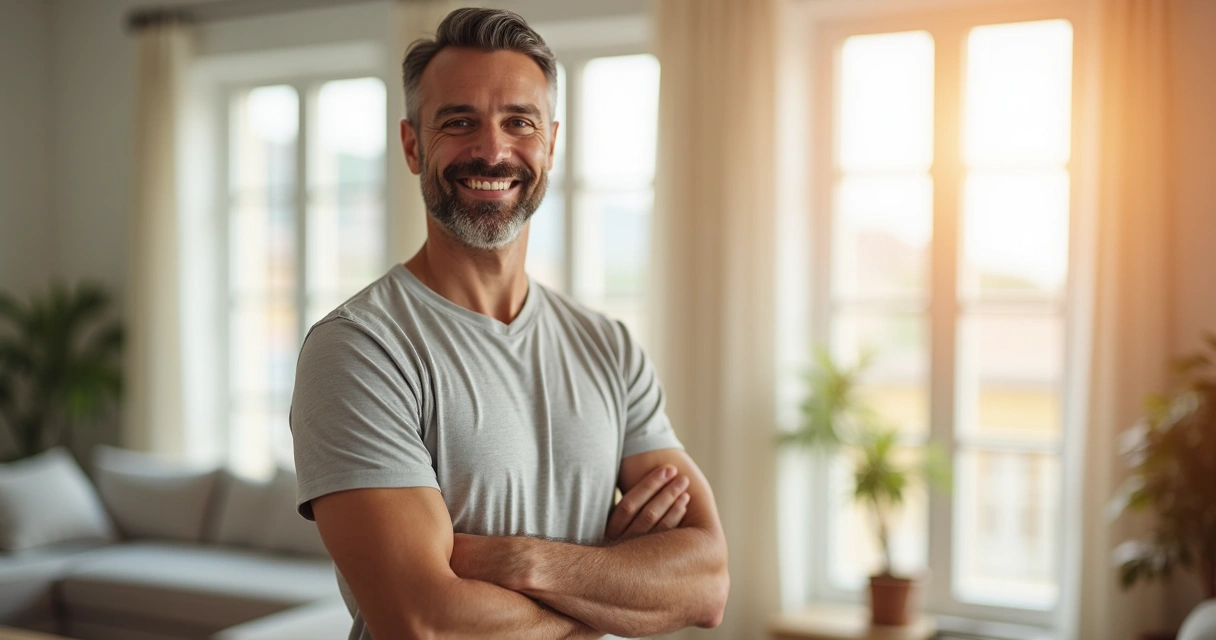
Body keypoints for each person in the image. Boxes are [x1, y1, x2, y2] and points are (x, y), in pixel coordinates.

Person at [289, 7, 729, 639]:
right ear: (413, 145)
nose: (492, 151)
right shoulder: (360, 349)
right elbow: (424, 624)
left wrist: (519, 562)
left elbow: (707, 583)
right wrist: (616, 580)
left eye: (518, 122)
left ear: (550, 143)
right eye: (459, 122)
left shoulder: (609, 346)